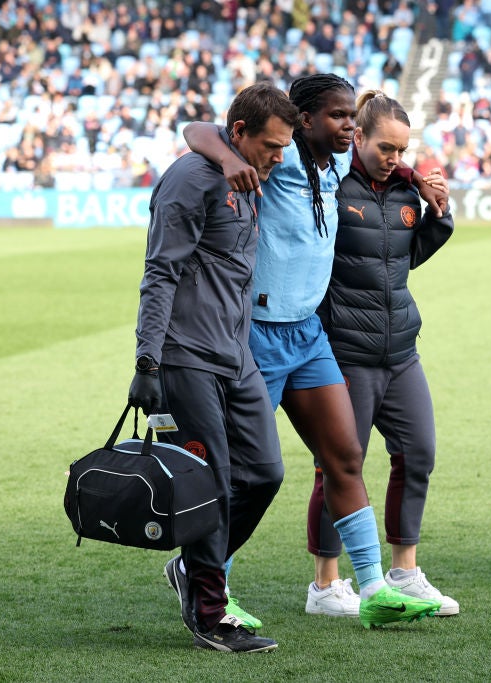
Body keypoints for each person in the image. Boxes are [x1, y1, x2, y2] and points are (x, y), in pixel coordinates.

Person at [182, 74, 445, 628]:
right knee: (243, 474)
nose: (350, 124)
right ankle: (207, 578)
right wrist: (229, 160)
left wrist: (417, 177)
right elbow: (198, 128)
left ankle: (372, 586)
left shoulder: (338, 167)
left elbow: (387, 160)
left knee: (344, 456)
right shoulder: (277, 163)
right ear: (304, 121)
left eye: (353, 116)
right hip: (254, 333)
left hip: (308, 335)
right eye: (338, 116)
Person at [128, 82, 299, 652]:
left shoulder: (246, 172)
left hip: (236, 354)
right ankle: (210, 613)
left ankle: (195, 569)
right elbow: (160, 272)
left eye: (284, 147)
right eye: (271, 146)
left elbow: (205, 133)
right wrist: (147, 360)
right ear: (241, 134)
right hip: (185, 357)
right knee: (209, 484)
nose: (279, 157)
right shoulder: (189, 180)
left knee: (264, 473)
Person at [314, 90, 459, 617]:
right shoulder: (330, 185)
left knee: (418, 454)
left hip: (401, 350)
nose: (394, 157)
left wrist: (436, 212)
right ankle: (326, 585)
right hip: (346, 351)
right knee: (337, 464)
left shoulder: (404, 193)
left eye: (402, 150)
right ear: (358, 137)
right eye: (385, 147)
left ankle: (406, 571)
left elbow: (404, 257)